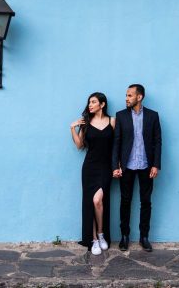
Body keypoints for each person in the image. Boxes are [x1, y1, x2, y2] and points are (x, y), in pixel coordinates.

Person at [112, 83, 162, 252]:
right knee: (125, 202)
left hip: (146, 167)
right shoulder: (121, 116)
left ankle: (144, 237)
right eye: (126, 95)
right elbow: (116, 143)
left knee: (146, 202)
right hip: (127, 167)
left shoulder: (152, 116)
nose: (126, 98)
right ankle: (124, 237)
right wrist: (115, 165)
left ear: (139, 97)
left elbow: (157, 141)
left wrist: (156, 164)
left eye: (129, 95)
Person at [70, 92, 115, 255]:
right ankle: (94, 239)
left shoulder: (112, 121)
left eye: (94, 102)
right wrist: (72, 128)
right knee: (91, 202)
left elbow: (116, 146)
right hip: (89, 167)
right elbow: (79, 145)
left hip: (106, 167)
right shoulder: (86, 123)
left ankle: (102, 233)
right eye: (89, 102)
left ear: (102, 104)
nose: (90, 104)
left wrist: (117, 165)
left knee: (98, 200)